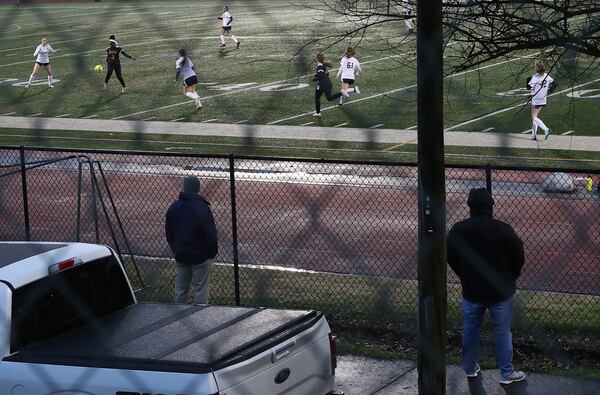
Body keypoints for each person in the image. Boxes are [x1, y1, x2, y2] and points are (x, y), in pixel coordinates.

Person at [447, 188, 526, 385]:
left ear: (469, 206)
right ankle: (506, 372)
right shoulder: (503, 229)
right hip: (500, 291)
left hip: (472, 290)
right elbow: (518, 256)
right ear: (491, 205)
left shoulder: (459, 229)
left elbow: (451, 257)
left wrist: (464, 275)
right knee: (502, 332)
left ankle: (470, 367)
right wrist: (511, 276)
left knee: (470, 329)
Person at [165, 176, 218, 304]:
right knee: (201, 290)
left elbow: (169, 233)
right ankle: (199, 316)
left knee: (180, 291)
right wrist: (211, 253)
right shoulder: (203, 208)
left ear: (184, 187)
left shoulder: (174, 207)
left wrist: (177, 249)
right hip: (200, 256)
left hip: (182, 254)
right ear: (198, 189)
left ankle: (178, 316)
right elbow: (211, 235)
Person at [527, 59, 555, 141]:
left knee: (534, 117)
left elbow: (529, 87)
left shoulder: (535, 77)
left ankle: (546, 129)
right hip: (543, 99)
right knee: (535, 117)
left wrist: (528, 80)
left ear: (537, 67)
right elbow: (554, 84)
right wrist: (548, 91)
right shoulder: (546, 75)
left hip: (536, 99)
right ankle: (533, 135)